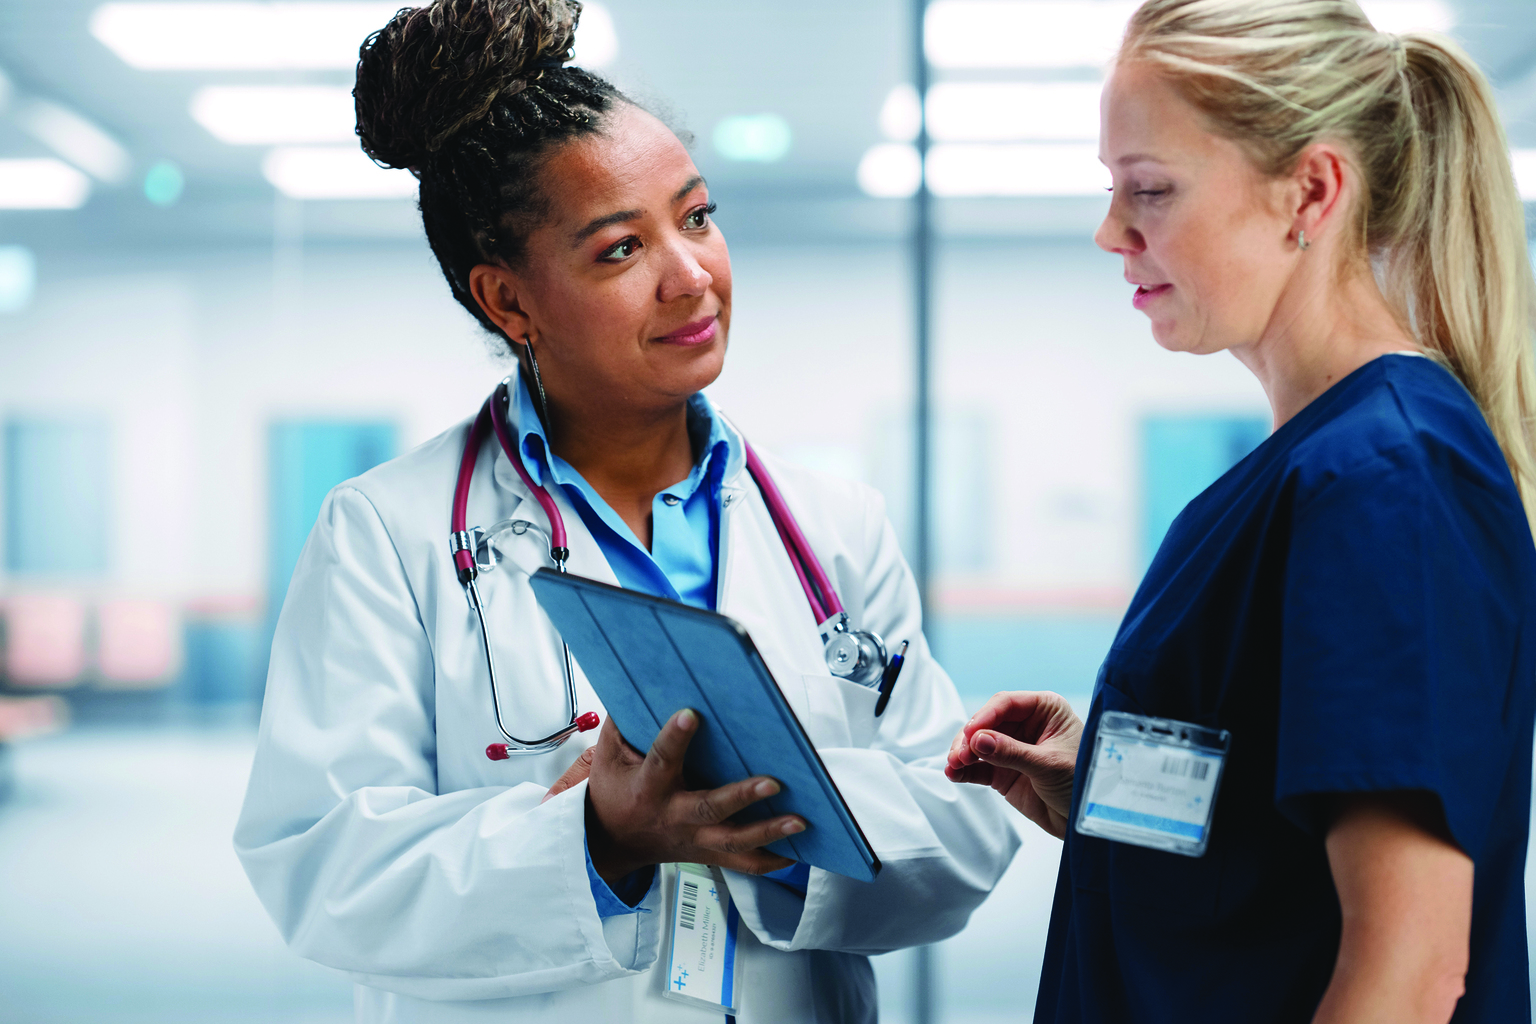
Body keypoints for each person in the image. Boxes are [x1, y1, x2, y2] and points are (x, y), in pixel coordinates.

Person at [233, 2, 1018, 1022]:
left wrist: (764, 819)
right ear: (508, 301)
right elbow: (324, 868)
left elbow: (960, 826)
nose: (692, 275)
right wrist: (601, 838)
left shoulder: (833, 524)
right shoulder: (389, 533)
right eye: (619, 250)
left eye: (696, 216)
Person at [947, 2, 1536, 1022]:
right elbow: (1281, 839)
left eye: (1151, 190)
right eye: (1111, 188)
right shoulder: (1314, 466)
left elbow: (1409, 971)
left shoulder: (1383, 477)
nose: (1111, 231)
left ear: (1310, 191)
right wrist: (1105, 786)